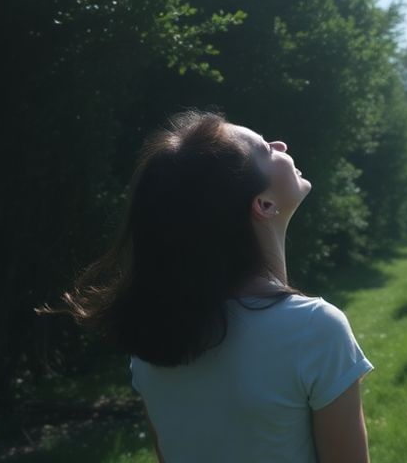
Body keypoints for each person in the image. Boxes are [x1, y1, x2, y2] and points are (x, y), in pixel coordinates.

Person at [41, 108, 374, 462]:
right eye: (266, 150)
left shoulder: (155, 334)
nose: (281, 144)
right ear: (264, 204)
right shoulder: (315, 329)